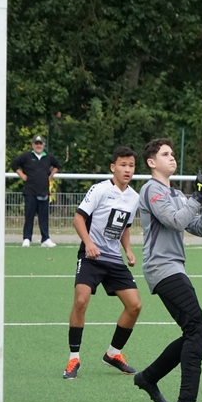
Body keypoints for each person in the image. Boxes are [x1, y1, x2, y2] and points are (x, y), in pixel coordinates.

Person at [131, 138, 202, 402]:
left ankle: (148, 377)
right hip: (161, 267)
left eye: (172, 154)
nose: (172, 158)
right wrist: (197, 198)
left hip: (174, 268)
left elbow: (201, 229)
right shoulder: (151, 189)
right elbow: (176, 221)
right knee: (198, 329)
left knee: (193, 331)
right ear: (151, 162)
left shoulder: (177, 194)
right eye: (165, 154)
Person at [63, 147, 142, 380]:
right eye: (123, 165)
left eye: (131, 165)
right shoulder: (99, 189)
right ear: (113, 167)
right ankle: (73, 358)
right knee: (80, 301)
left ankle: (113, 353)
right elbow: (78, 219)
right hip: (92, 257)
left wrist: (128, 250)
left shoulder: (134, 197)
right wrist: (88, 243)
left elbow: (125, 227)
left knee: (135, 306)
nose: (127, 170)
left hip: (114, 259)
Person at [11, 135, 60, 248]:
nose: (38, 146)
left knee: (44, 217)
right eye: (36, 143)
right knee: (29, 216)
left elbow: (57, 165)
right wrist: (22, 175)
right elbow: (14, 164)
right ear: (32, 145)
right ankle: (27, 238)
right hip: (30, 192)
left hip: (43, 191)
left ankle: (45, 238)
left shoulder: (48, 157)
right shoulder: (26, 156)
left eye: (40, 143)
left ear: (43, 145)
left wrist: (50, 176)